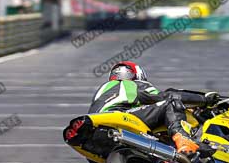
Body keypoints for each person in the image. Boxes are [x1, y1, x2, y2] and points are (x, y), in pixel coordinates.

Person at [89, 61, 218, 154]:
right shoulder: (134, 84)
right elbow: (165, 96)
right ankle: (184, 139)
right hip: (120, 116)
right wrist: (205, 100)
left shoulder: (102, 90)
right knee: (170, 103)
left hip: (94, 128)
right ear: (137, 75)